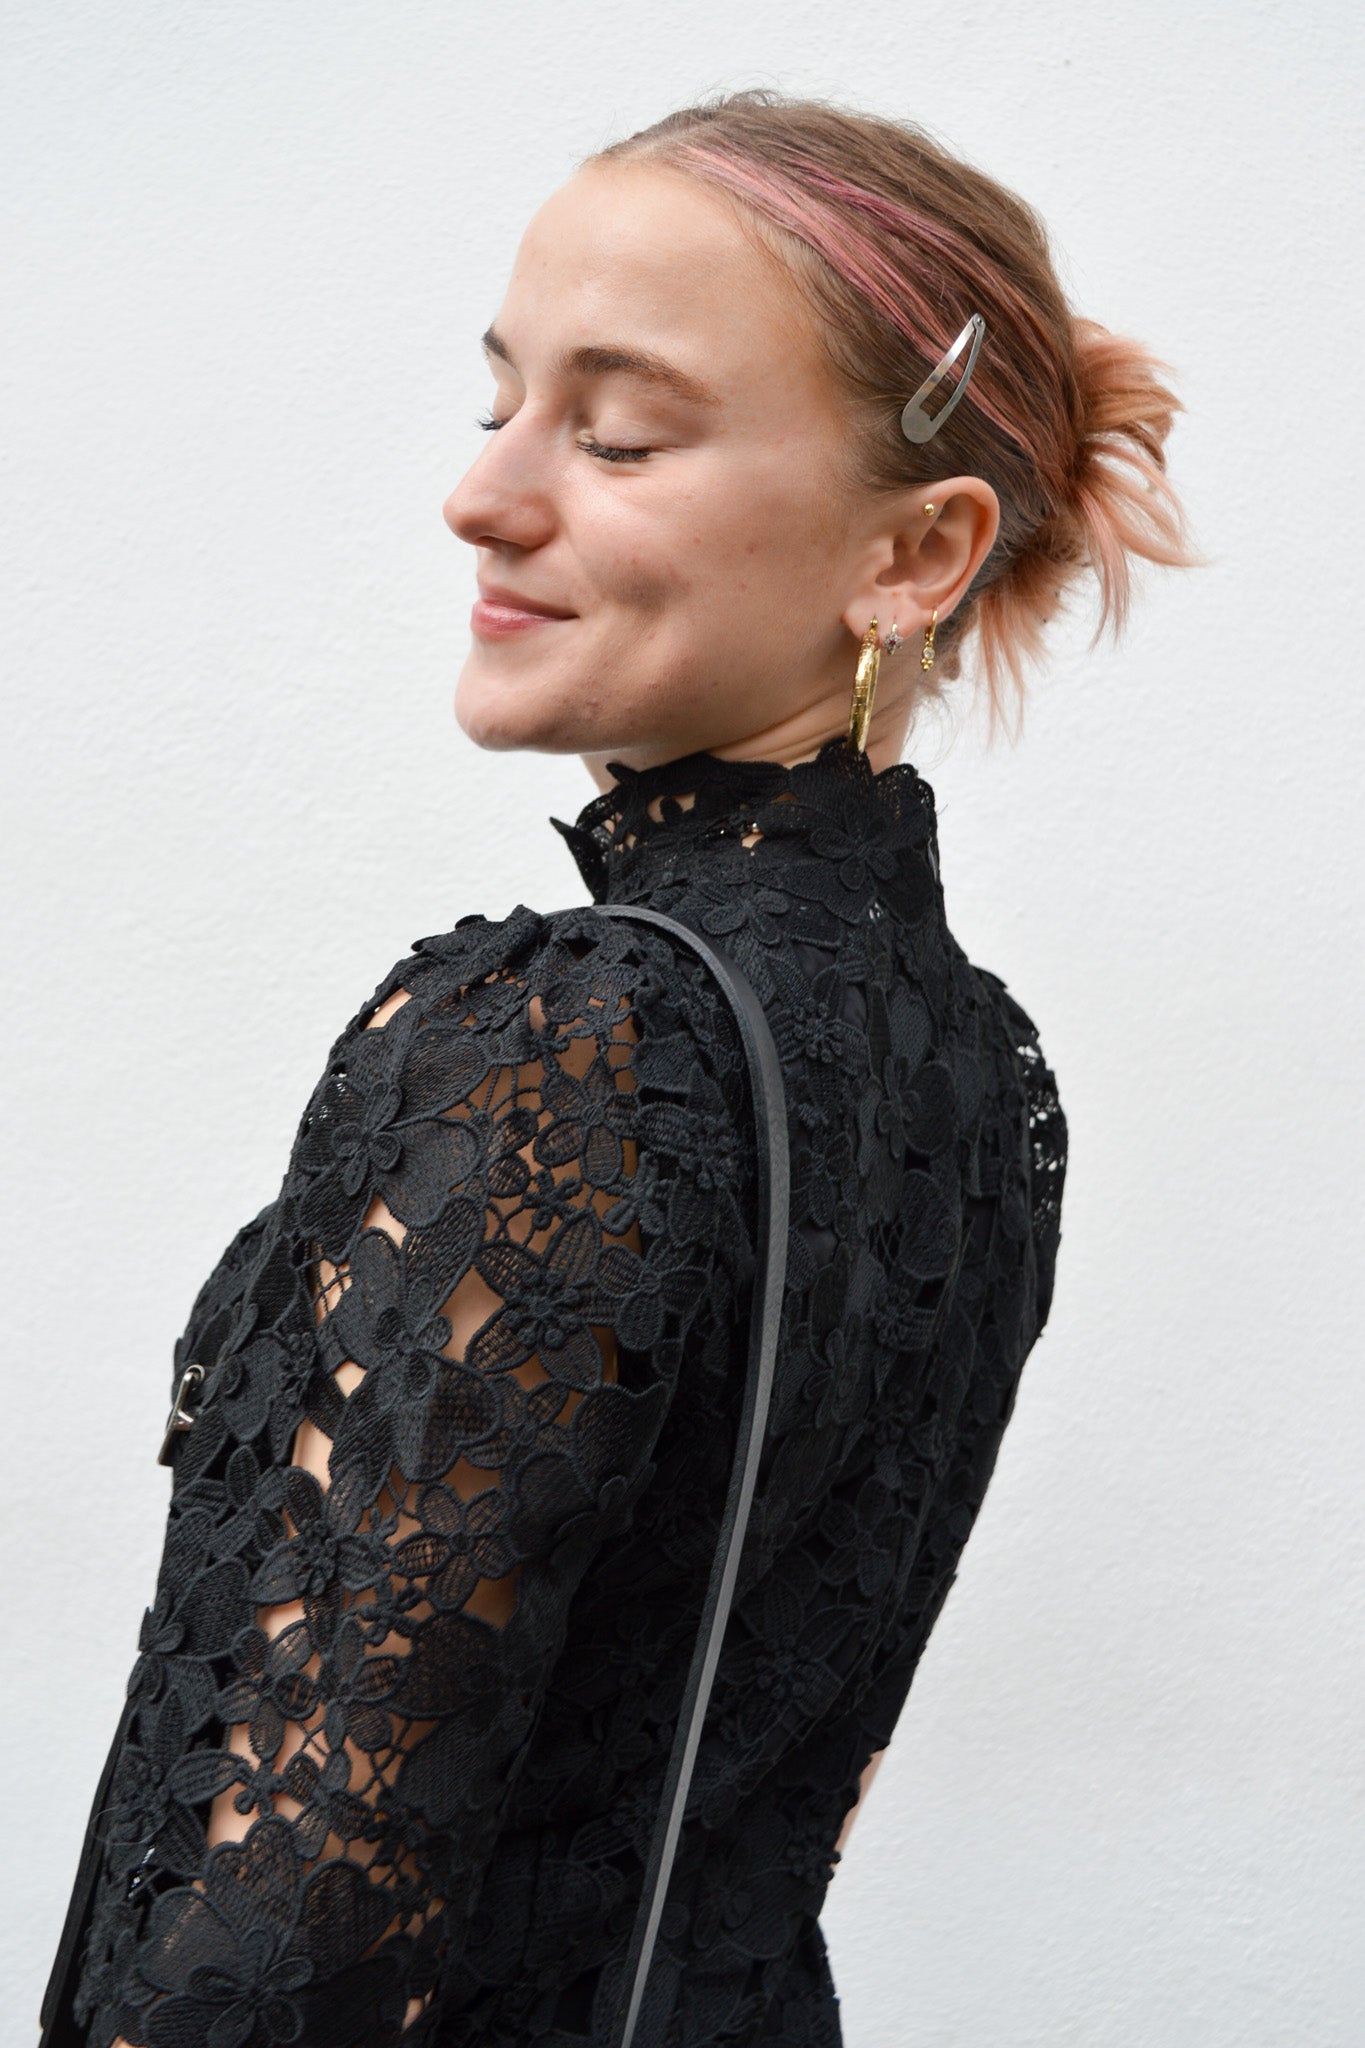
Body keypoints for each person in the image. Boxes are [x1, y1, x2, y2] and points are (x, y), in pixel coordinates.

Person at [41, 88, 1193, 2048]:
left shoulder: (564, 1034)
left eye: (618, 434)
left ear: (913, 550)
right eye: (503, 399)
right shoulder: (980, 1076)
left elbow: (287, 1943)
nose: (481, 495)